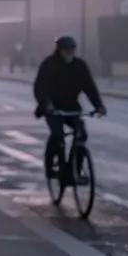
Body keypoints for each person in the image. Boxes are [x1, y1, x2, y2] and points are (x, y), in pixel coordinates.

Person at [33, 36, 106, 179]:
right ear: (59, 51)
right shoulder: (49, 64)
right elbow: (39, 88)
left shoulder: (80, 66)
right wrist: (47, 105)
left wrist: (98, 105)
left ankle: (75, 171)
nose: (70, 53)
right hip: (52, 108)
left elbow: (89, 87)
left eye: (72, 50)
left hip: (71, 106)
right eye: (66, 50)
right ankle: (50, 166)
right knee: (57, 134)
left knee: (81, 134)